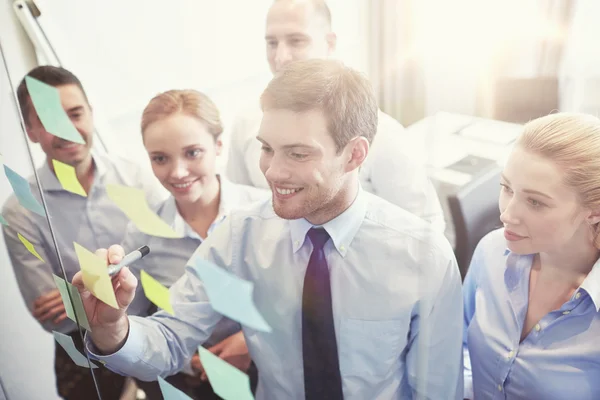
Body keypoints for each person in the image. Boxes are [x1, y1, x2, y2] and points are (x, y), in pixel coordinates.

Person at [74, 59, 463, 399]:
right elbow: (172, 338)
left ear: (354, 154)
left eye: (297, 153)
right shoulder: (240, 235)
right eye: (266, 148)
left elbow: (436, 390)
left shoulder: (424, 256)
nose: (273, 172)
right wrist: (114, 329)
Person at [2, 65, 165, 399]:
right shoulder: (20, 211)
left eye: (75, 114)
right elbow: (54, 318)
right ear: (30, 130)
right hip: (84, 356)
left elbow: (169, 270)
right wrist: (126, 280)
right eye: (49, 121)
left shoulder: (139, 178)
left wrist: (77, 294)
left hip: (155, 329)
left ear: (90, 114)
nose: (66, 130)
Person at [226, 0, 445, 231]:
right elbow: (238, 205)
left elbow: (426, 229)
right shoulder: (246, 124)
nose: (281, 57)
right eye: (272, 43)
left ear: (329, 43)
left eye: (296, 41)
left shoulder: (383, 135)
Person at [123, 89, 267, 398]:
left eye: (192, 153)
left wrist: (250, 342)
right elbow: (133, 321)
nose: (177, 172)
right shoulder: (142, 238)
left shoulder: (266, 212)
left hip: (275, 372)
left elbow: (302, 301)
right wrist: (189, 362)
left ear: (218, 146)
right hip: (194, 383)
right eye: (160, 158)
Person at [462, 113, 600, 399]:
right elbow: (457, 345)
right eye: (506, 188)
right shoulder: (491, 252)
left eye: (535, 202)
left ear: (593, 212)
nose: (506, 214)